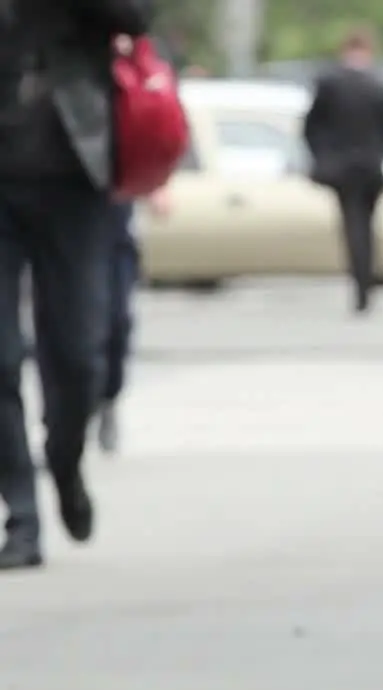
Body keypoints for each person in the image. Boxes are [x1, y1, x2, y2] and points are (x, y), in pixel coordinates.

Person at [0, 0, 154, 571]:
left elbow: (139, 16)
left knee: (78, 354)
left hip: (74, 176)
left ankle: (64, 462)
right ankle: (21, 514)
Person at [302, 27, 383, 315]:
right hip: (370, 166)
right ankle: (366, 279)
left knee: (352, 224)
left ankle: (361, 280)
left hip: (341, 167)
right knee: (366, 225)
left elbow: (312, 126)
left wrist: (322, 156)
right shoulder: (376, 85)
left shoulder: (330, 83)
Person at [98, 185, 171, 455]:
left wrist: (155, 185)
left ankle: (108, 398)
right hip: (63, 227)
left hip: (116, 234)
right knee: (68, 335)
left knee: (118, 322)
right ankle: (68, 417)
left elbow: (142, 145)